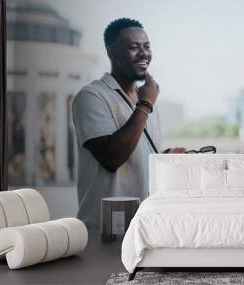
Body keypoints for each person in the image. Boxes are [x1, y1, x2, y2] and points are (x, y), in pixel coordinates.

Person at [72, 18, 184, 230]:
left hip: (144, 226)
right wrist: (145, 105)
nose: (143, 53)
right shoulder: (91, 96)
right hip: (106, 229)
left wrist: (166, 155)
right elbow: (111, 157)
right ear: (111, 53)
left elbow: (137, 152)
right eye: (134, 47)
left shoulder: (147, 100)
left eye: (147, 46)